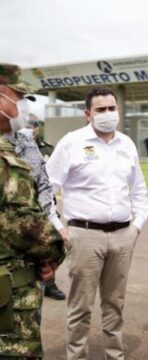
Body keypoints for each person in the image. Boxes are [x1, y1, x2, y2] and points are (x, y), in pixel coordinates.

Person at [46, 86, 148, 360]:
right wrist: (59, 228)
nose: (108, 114)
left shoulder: (126, 144)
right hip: (84, 235)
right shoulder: (72, 142)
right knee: (80, 307)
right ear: (88, 114)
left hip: (123, 235)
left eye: (112, 108)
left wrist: (136, 226)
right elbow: (45, 189)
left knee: (115, 304)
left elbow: (139, 190)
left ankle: (114, 355)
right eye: (101, 109)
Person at [0, 62, 65, 359]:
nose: (23, 107)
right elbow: (21, 221)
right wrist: (54, 250)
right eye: (19, 97)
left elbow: (42, 190)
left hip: (25, 271)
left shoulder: (26, 144)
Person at [18, 117, 66, 300]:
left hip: (44, 206)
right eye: (25, 126)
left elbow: (48, 181)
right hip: (23, 211)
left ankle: (49, 284)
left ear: (37, 129)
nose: (27, 129)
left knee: (45, 248)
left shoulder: (46, 149)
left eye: (31, 126)